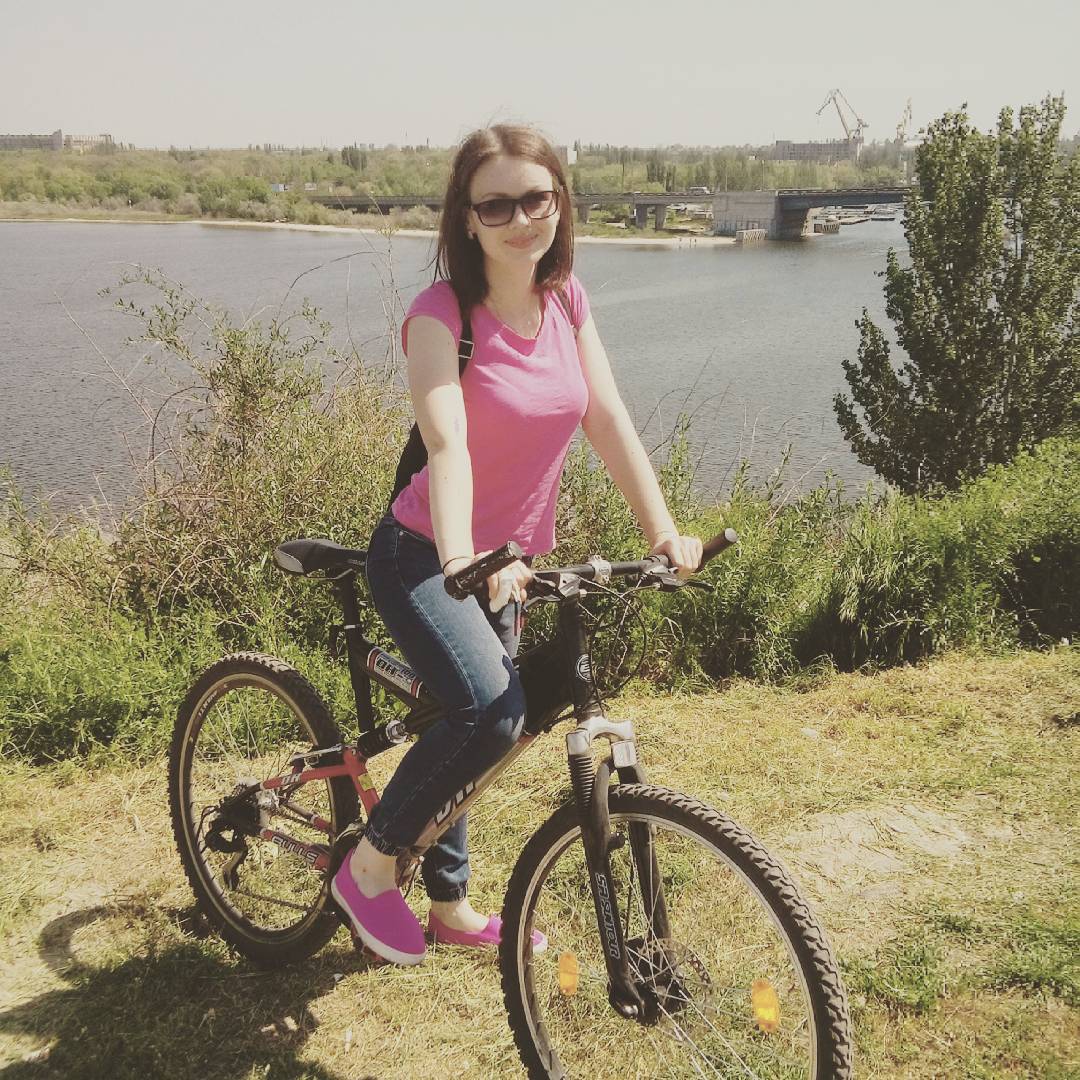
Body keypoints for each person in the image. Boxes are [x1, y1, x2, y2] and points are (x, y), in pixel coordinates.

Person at [331, 123, 703, 966]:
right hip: (427, 555)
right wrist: (462, 558)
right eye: (495, 205)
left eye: (535, 198)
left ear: (560, 203)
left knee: (481, 724)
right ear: (467, 219)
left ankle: (451, 908)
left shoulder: (567, 299)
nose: (519, 218)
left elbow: (607, 419)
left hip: (504, 567)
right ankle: (369, 869)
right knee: (490, 713)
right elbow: (447, 443)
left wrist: (662, 531)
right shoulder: (439, 316)